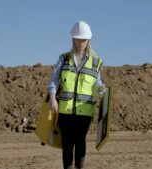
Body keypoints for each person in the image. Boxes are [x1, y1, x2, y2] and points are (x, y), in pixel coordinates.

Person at [48, 21, 106, 169]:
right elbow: (54, 79)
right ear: (73, 39)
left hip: (84, 111)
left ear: (88, 40)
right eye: (78, 39)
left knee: (80, 140)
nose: (81, 42)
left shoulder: (95, 62)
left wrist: (101, 89)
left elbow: (96, 82)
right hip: (65, 110)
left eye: (84, 39)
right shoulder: (64, 58)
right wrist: (53, 98)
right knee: (67, 142)